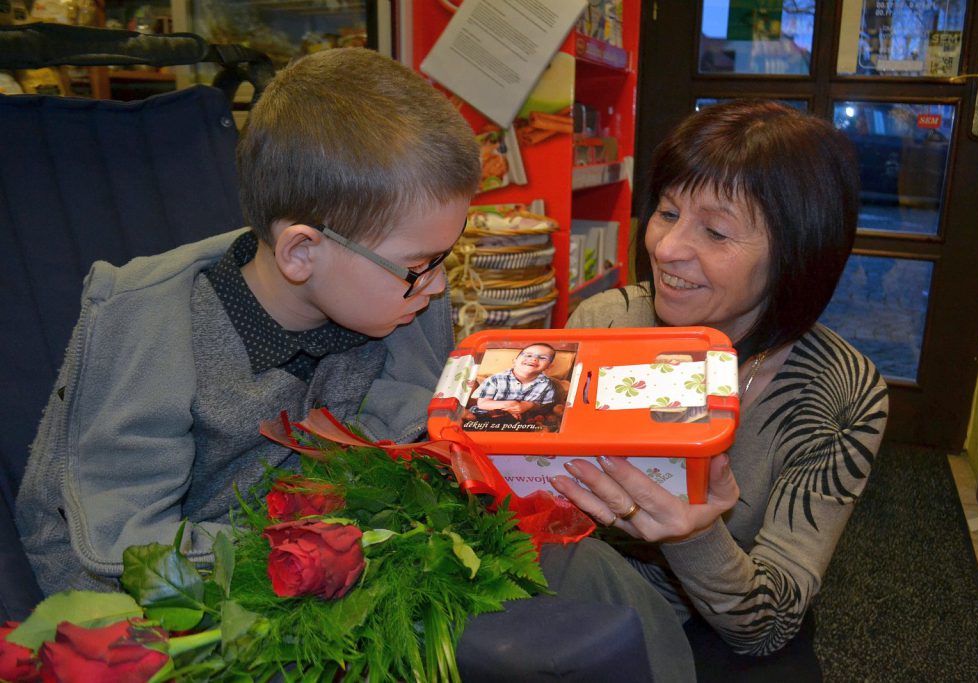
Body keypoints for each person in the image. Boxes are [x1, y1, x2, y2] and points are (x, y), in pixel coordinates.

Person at [15, 47, 480, 595]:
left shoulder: (402, 309)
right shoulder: (151, 338)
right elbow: (111, 552)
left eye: (443, 257)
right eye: (417, 266)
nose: (439, 284)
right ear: (301, 253)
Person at [551, 99, 889, 679]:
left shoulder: (842, 394)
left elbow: (772, 621)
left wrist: (698, 534)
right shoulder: (604, 325)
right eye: (666, 212)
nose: (666, 248)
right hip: (590, 595)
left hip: (728, 619)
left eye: (714, 230)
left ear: (796, 253)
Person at [471, 343, 558, 419]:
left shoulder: (546, 384)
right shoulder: (496, 379)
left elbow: (545, 406)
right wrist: (509, 405)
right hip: (484, 416)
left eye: (542, 357)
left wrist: (529, 405)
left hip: (522, 420)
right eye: (528, 355)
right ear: (514, 361)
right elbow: (482, 404)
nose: (534, 359)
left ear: (549, 367)